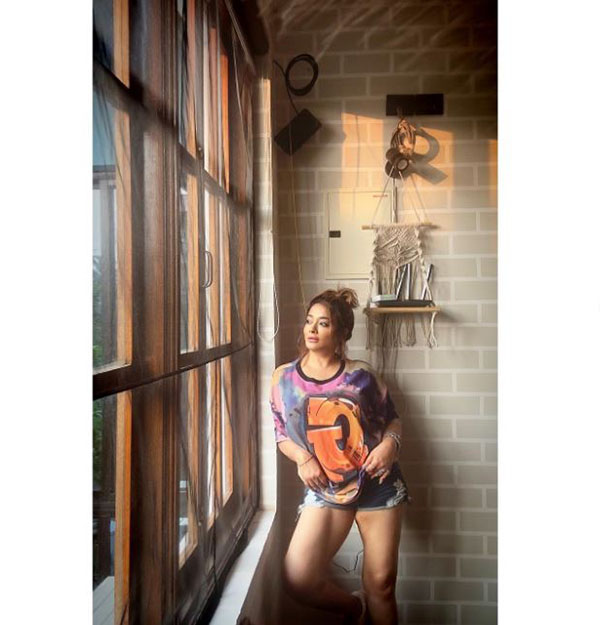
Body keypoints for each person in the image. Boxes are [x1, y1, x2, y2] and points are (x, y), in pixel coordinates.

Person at [269, 288, 409, 625]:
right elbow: (281, 434)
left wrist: (390, 446)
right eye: (309, 321)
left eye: (324, 323)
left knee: (381, 584)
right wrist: (303, 458)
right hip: (327, 488)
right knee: (298, 577)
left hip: (378, 485)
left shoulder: (362, 376)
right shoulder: (284, 378)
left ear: (342, 333)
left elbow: (393, 419)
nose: (312, 329)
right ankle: (355, 609)